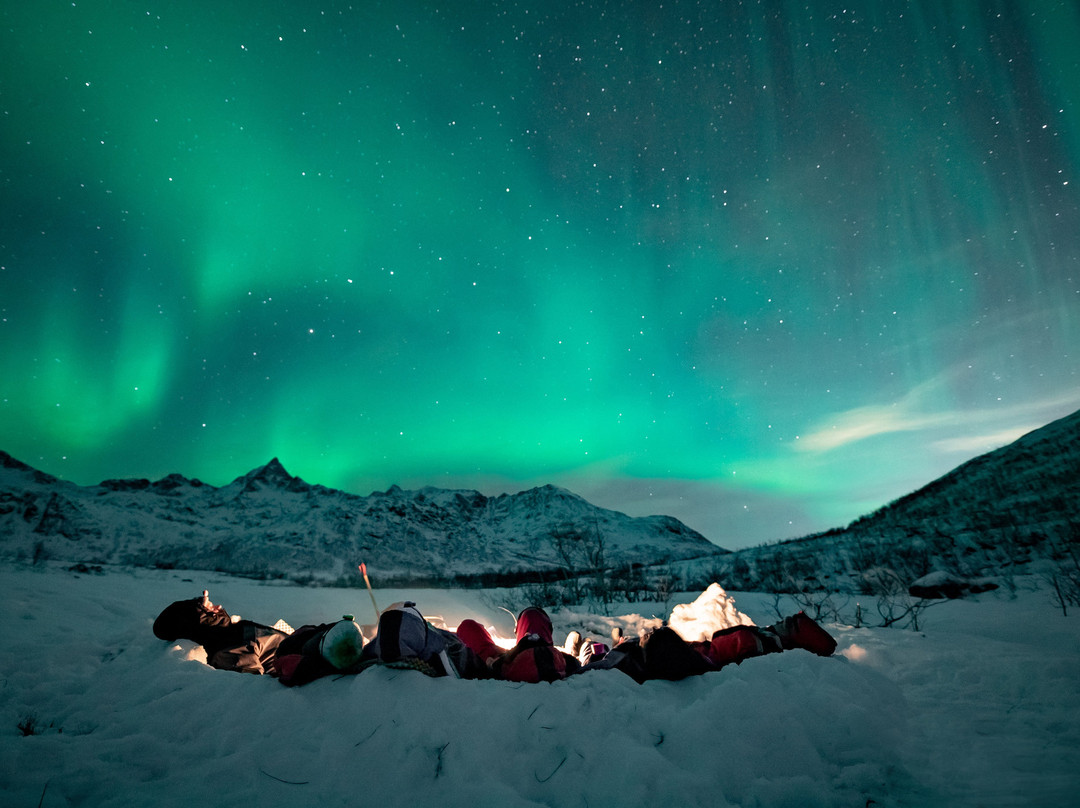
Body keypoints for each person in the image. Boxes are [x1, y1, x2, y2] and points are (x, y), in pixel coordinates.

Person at [152, 591, 365, 686]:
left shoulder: (234, 632)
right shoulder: (227, 648)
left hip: (314, 644)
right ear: (200, 619)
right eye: (206, 607)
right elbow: (253, 688)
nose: (217, 606)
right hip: (318, 659)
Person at [575, 611, 838, 683]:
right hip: (695, 651)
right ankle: (609, 646)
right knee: (620, 650)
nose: (782, 622)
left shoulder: (752, 645)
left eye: (787, 624)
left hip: (682, 654)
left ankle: (592, 648)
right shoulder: (760, 642)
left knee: (602, 657)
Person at [457, 606, 581, 683]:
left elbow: (494, 664)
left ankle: (532, 643)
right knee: (533, 617)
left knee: (468, 626)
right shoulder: (563, 662)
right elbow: (575, 664)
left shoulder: (504, 663)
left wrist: (496, 660)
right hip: (545, 657)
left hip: (508, 664)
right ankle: (544, 643)